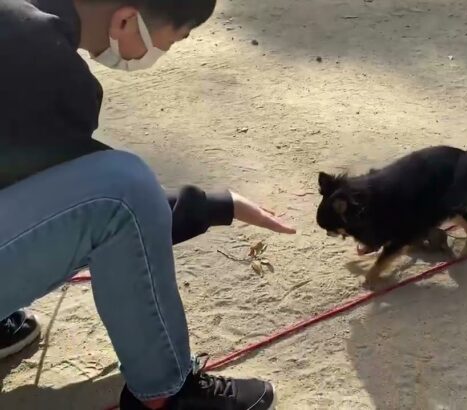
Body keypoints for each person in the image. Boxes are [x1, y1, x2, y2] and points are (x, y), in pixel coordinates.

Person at [0, 0, 295, 408]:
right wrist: (213, 206)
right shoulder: (44, 60)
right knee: (123, 186)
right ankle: (167, 395)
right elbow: (106, 210)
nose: (163, 53)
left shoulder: (18, 22)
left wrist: (218, 205)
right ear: (125, 19)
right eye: (172, 41)